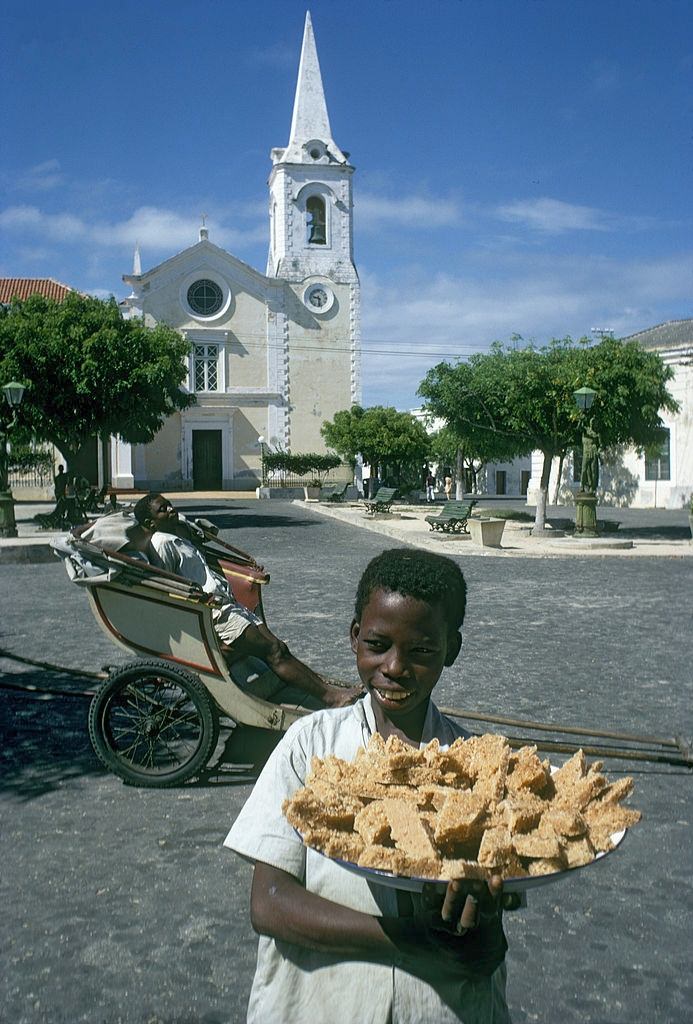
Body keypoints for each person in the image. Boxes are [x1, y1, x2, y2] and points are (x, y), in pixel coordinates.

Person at [224, 548, 512, 1023]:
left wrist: (479, 931)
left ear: (451, 649)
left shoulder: (478, 766)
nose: (395, 667)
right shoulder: (311, 746)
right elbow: (270, 904)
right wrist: (409, 937)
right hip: (324, 1005)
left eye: (421, 651)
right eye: (378, 644)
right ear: (355, 637)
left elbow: (486, 943)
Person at [134, 493, 361, 710]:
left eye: (169, 504)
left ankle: (328, 689)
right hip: (215, 613)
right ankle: (331, 697)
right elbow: (168, 587)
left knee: (280, 647)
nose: (171, 509)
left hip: (227, 604)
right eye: (162, 509)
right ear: (150, 522)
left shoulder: (176, 534)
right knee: (274, 651)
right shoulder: (162, 542)